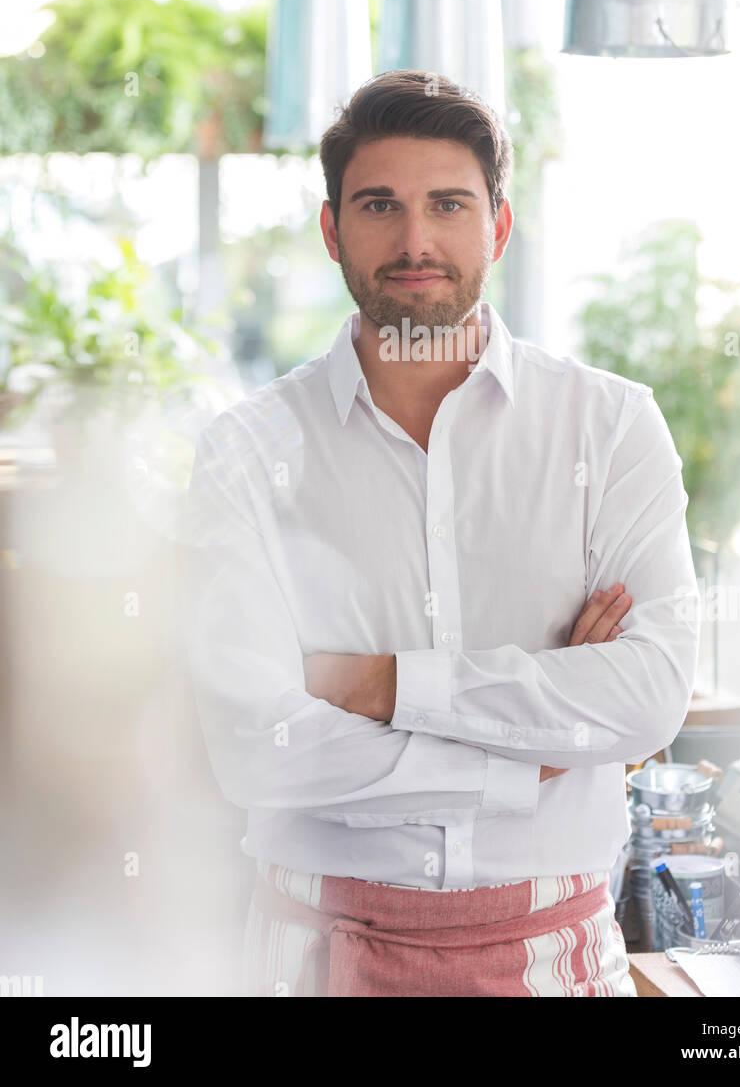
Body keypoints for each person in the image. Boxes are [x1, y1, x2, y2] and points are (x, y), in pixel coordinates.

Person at [182, 69, 700, 997]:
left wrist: (371, 683)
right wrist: (535, 751)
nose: (415, 241)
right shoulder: (247, 451)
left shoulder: (612, 427)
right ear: (332, 228)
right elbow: (255, 745)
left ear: (498, 226)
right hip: (311, 957)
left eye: (448, 205)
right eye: (379, 205)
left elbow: (650, 696)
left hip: (557, 959)